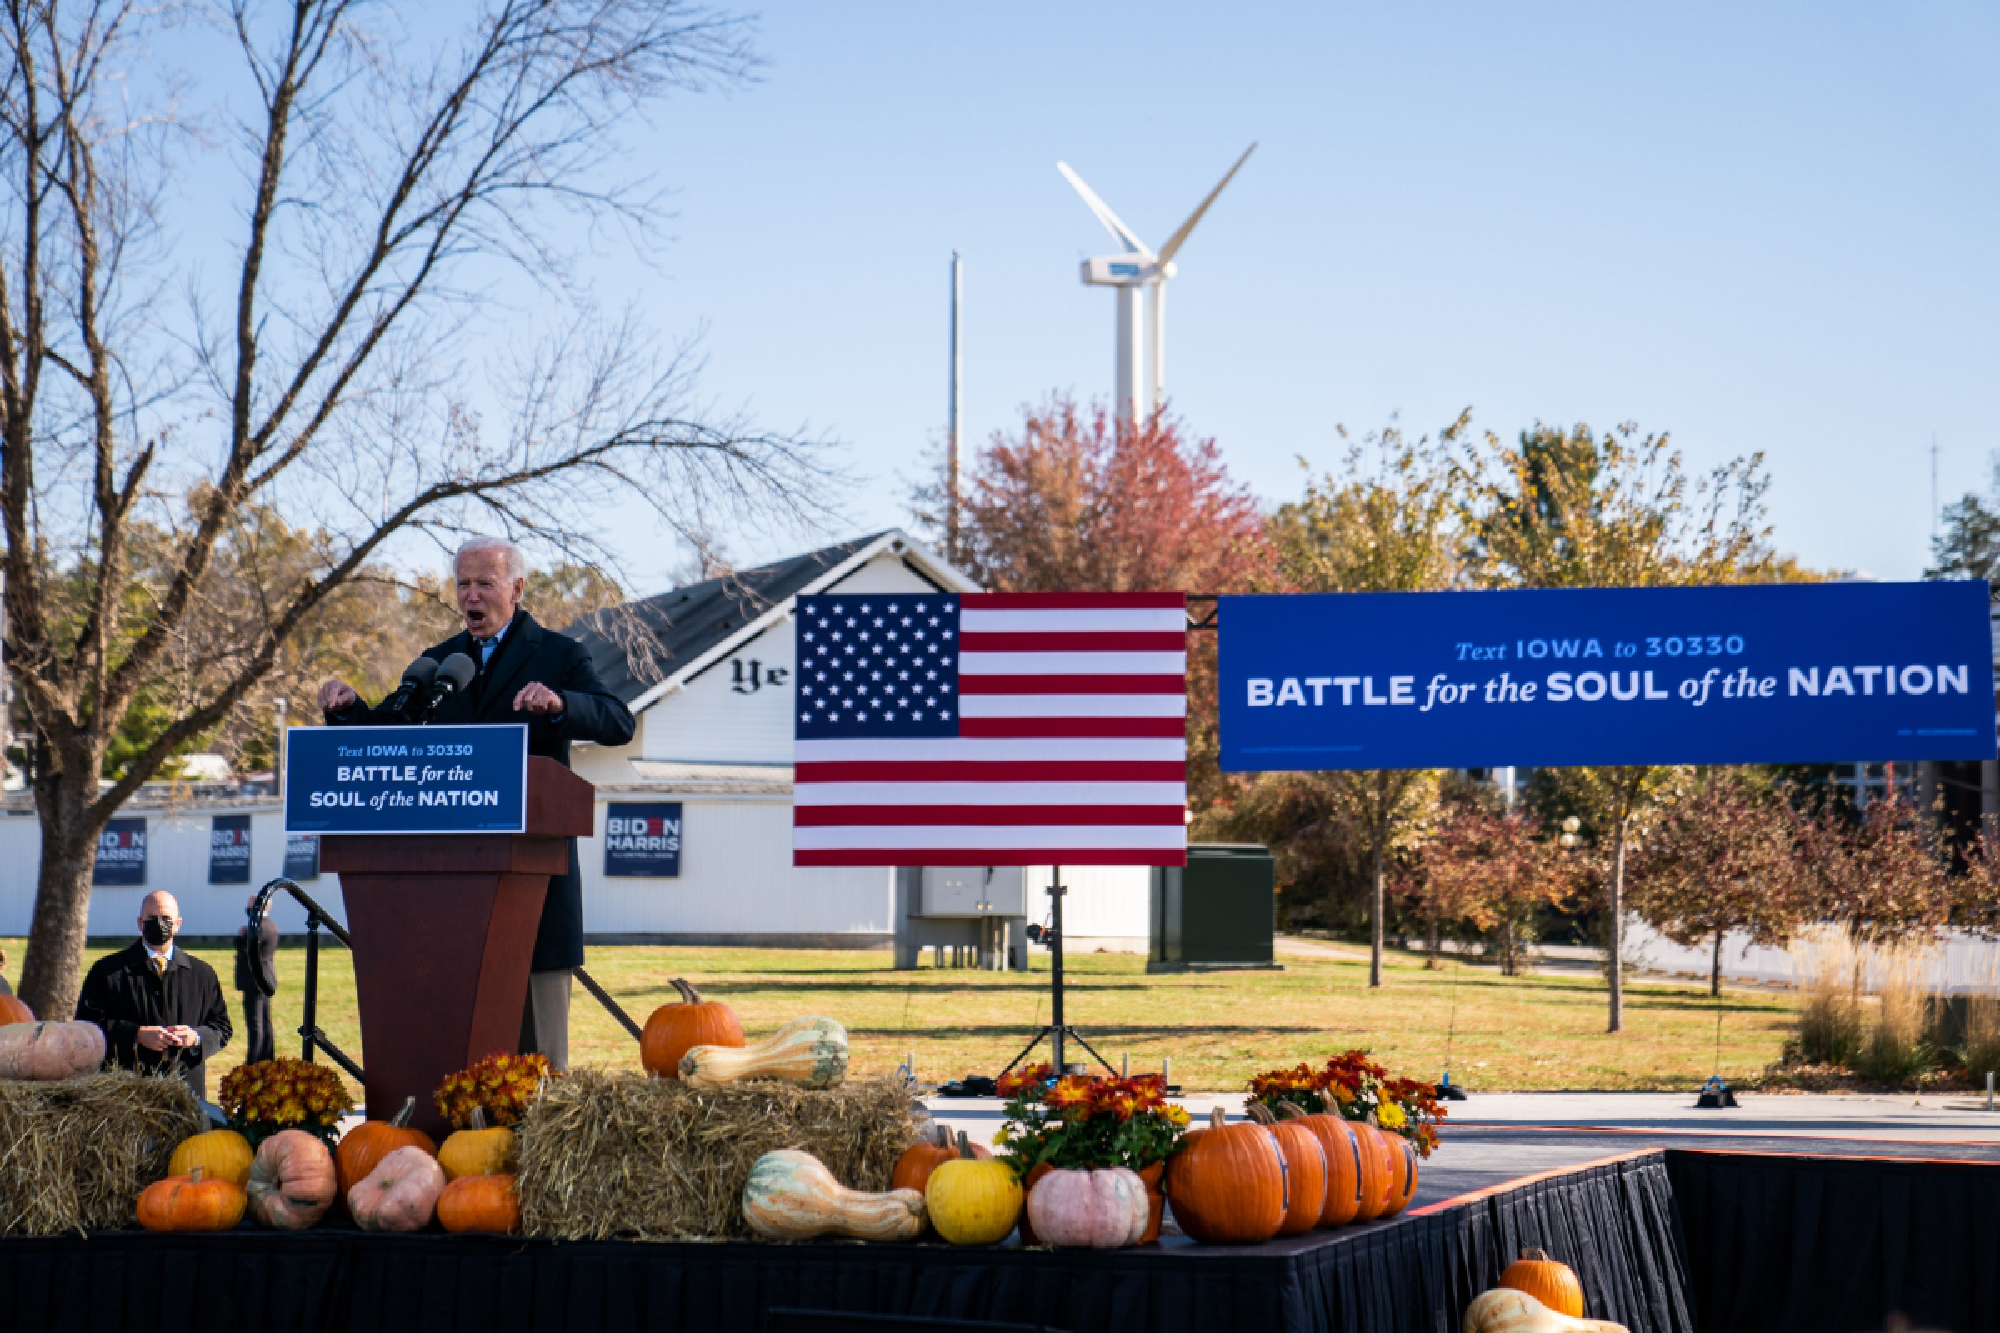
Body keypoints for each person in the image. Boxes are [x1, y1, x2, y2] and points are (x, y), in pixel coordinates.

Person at [317, 536, 634, 1070]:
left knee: (538, 1072)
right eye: (463, 584)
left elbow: (617, 722)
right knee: (460, 1067)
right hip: (446, 907)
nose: (471, 596)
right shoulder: (438, 665)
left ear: (516, 588)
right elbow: (394, 733)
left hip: (531, 895)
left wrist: (561, 705)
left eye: (484, 583)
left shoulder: (559, 654)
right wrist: (350, 711)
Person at [77, 890, 233, 1097]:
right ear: (140, 923)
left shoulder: (202, 974)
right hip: (127, 1094)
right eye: (152, 918)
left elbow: (222, 1027)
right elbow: (86, 1027)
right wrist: (136, 1034)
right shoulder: (107, 972)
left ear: (178, 924)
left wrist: (195, 1037)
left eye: (166, 918)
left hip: (186, 1092)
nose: (160, 924)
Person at [236, 894, 280, 1064]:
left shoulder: (256, 928)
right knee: (265, 1022)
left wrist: (240, 938)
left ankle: (253, 1062)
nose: (248, 909)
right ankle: (267, 1058)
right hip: (267, 976)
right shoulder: (271, 925)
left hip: (254, 980)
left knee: (255, 1025)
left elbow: (247, 948)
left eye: (251, 905)